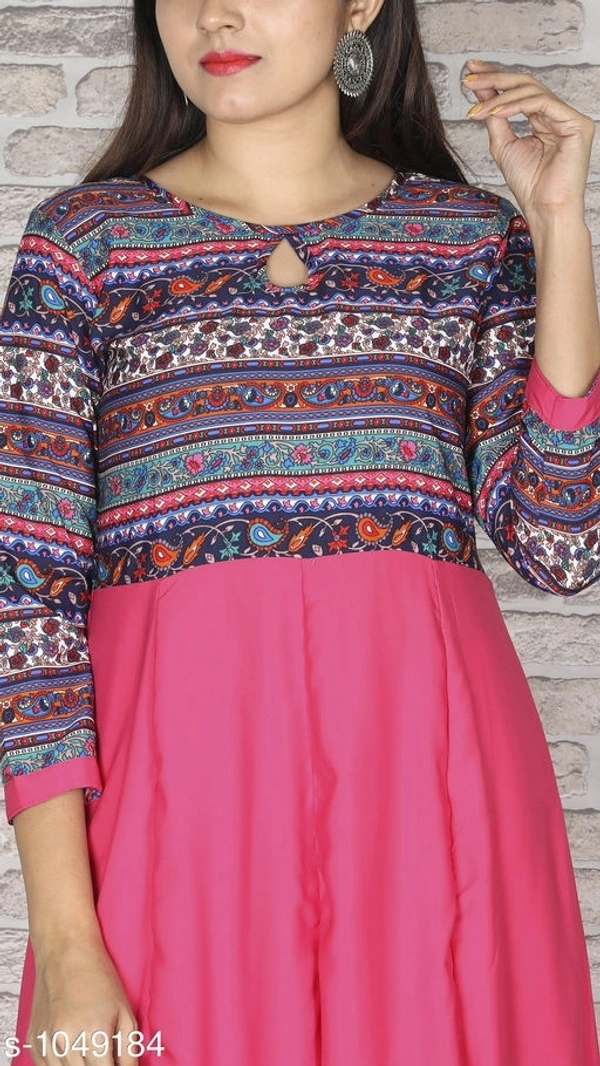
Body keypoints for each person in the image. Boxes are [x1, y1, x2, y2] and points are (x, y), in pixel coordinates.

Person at [1, 0, 599, 1063]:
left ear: (360, 4)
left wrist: (559, 228)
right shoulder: (86, 246)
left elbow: (560, 545)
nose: (216, 13)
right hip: (176, 812)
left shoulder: (467, 240)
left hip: (430, 801)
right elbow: (25, 600)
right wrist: (65, 936)